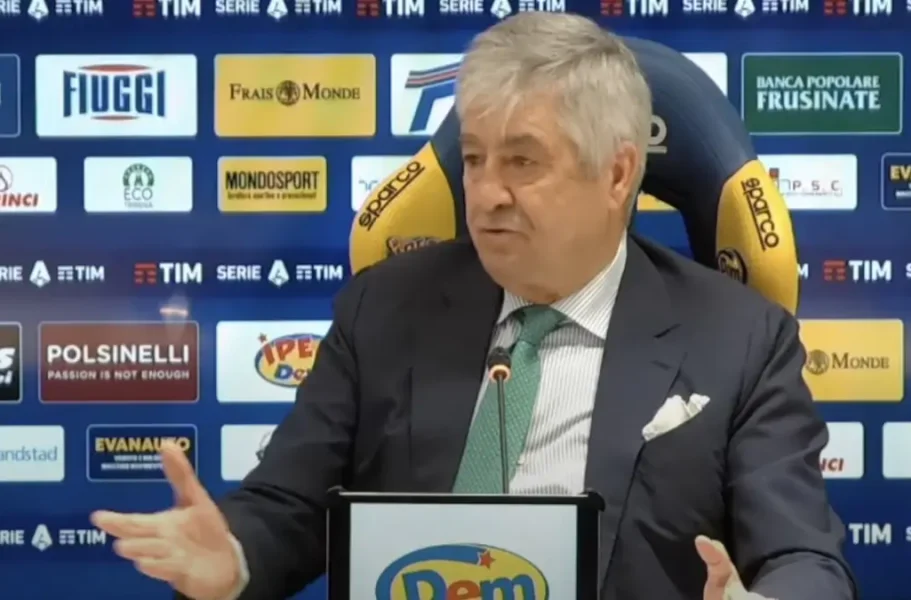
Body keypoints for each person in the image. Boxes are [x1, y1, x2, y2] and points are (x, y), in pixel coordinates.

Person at [91, 12, 856, 600]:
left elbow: (804, 557)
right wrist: (233, 557)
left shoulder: (739, 338)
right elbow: (289, 505)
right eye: (476, 159)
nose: (486, 193)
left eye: (522, 161)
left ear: (619, 174)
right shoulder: (384, 309)